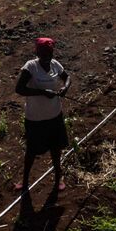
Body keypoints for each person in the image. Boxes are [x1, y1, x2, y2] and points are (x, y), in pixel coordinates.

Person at [14, 37, 70, 192]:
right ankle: (25, 181)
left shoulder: (54, 64)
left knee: (55, 148)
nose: (46, 58)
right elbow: (19, 89)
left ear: (52, 53)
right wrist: (42, 92)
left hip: (54, 115)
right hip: (35, 118)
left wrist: (65, 88)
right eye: (43, 55)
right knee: (31, 151)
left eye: (49, 55)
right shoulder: (31, 67)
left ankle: (59, 176)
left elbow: (67, 77)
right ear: (37, 53)